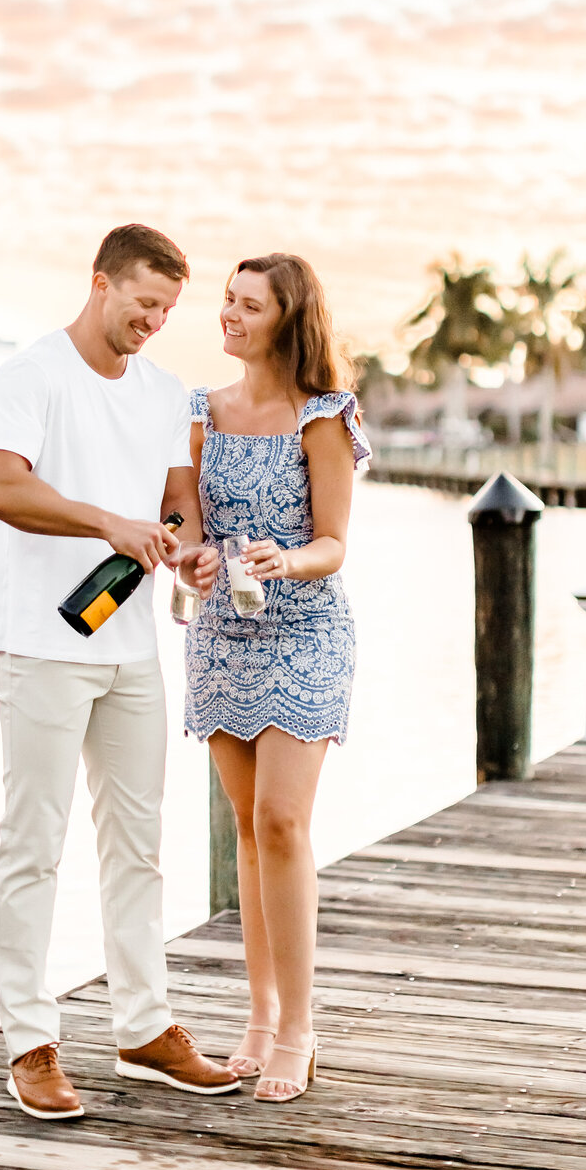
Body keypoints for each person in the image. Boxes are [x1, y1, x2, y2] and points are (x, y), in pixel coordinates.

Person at [0, 223, 235, 1121]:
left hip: (129, 649)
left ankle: (144, 1029)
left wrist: (191, 548)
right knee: (33, 845)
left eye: (167, 310)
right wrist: (107, 524)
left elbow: (175, 496)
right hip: (39, 645)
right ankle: (29, 1044)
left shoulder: (165, 392)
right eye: (143, 304)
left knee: (139, 845)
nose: (154, 323)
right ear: (100, 284)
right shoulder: (32, 376)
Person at [185, 253, 370, 1103]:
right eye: (227, 300)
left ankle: (300, 1026)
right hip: (223, 634)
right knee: (247, 830)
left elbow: (334, 542)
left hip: (306, 628)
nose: (228, 314)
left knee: (284, 821)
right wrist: (188, 563)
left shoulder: (323, 415)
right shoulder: (200, 413)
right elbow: (186, 524)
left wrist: (286, 559)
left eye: (247, 305)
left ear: (286, 319)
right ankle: (257, 1018)